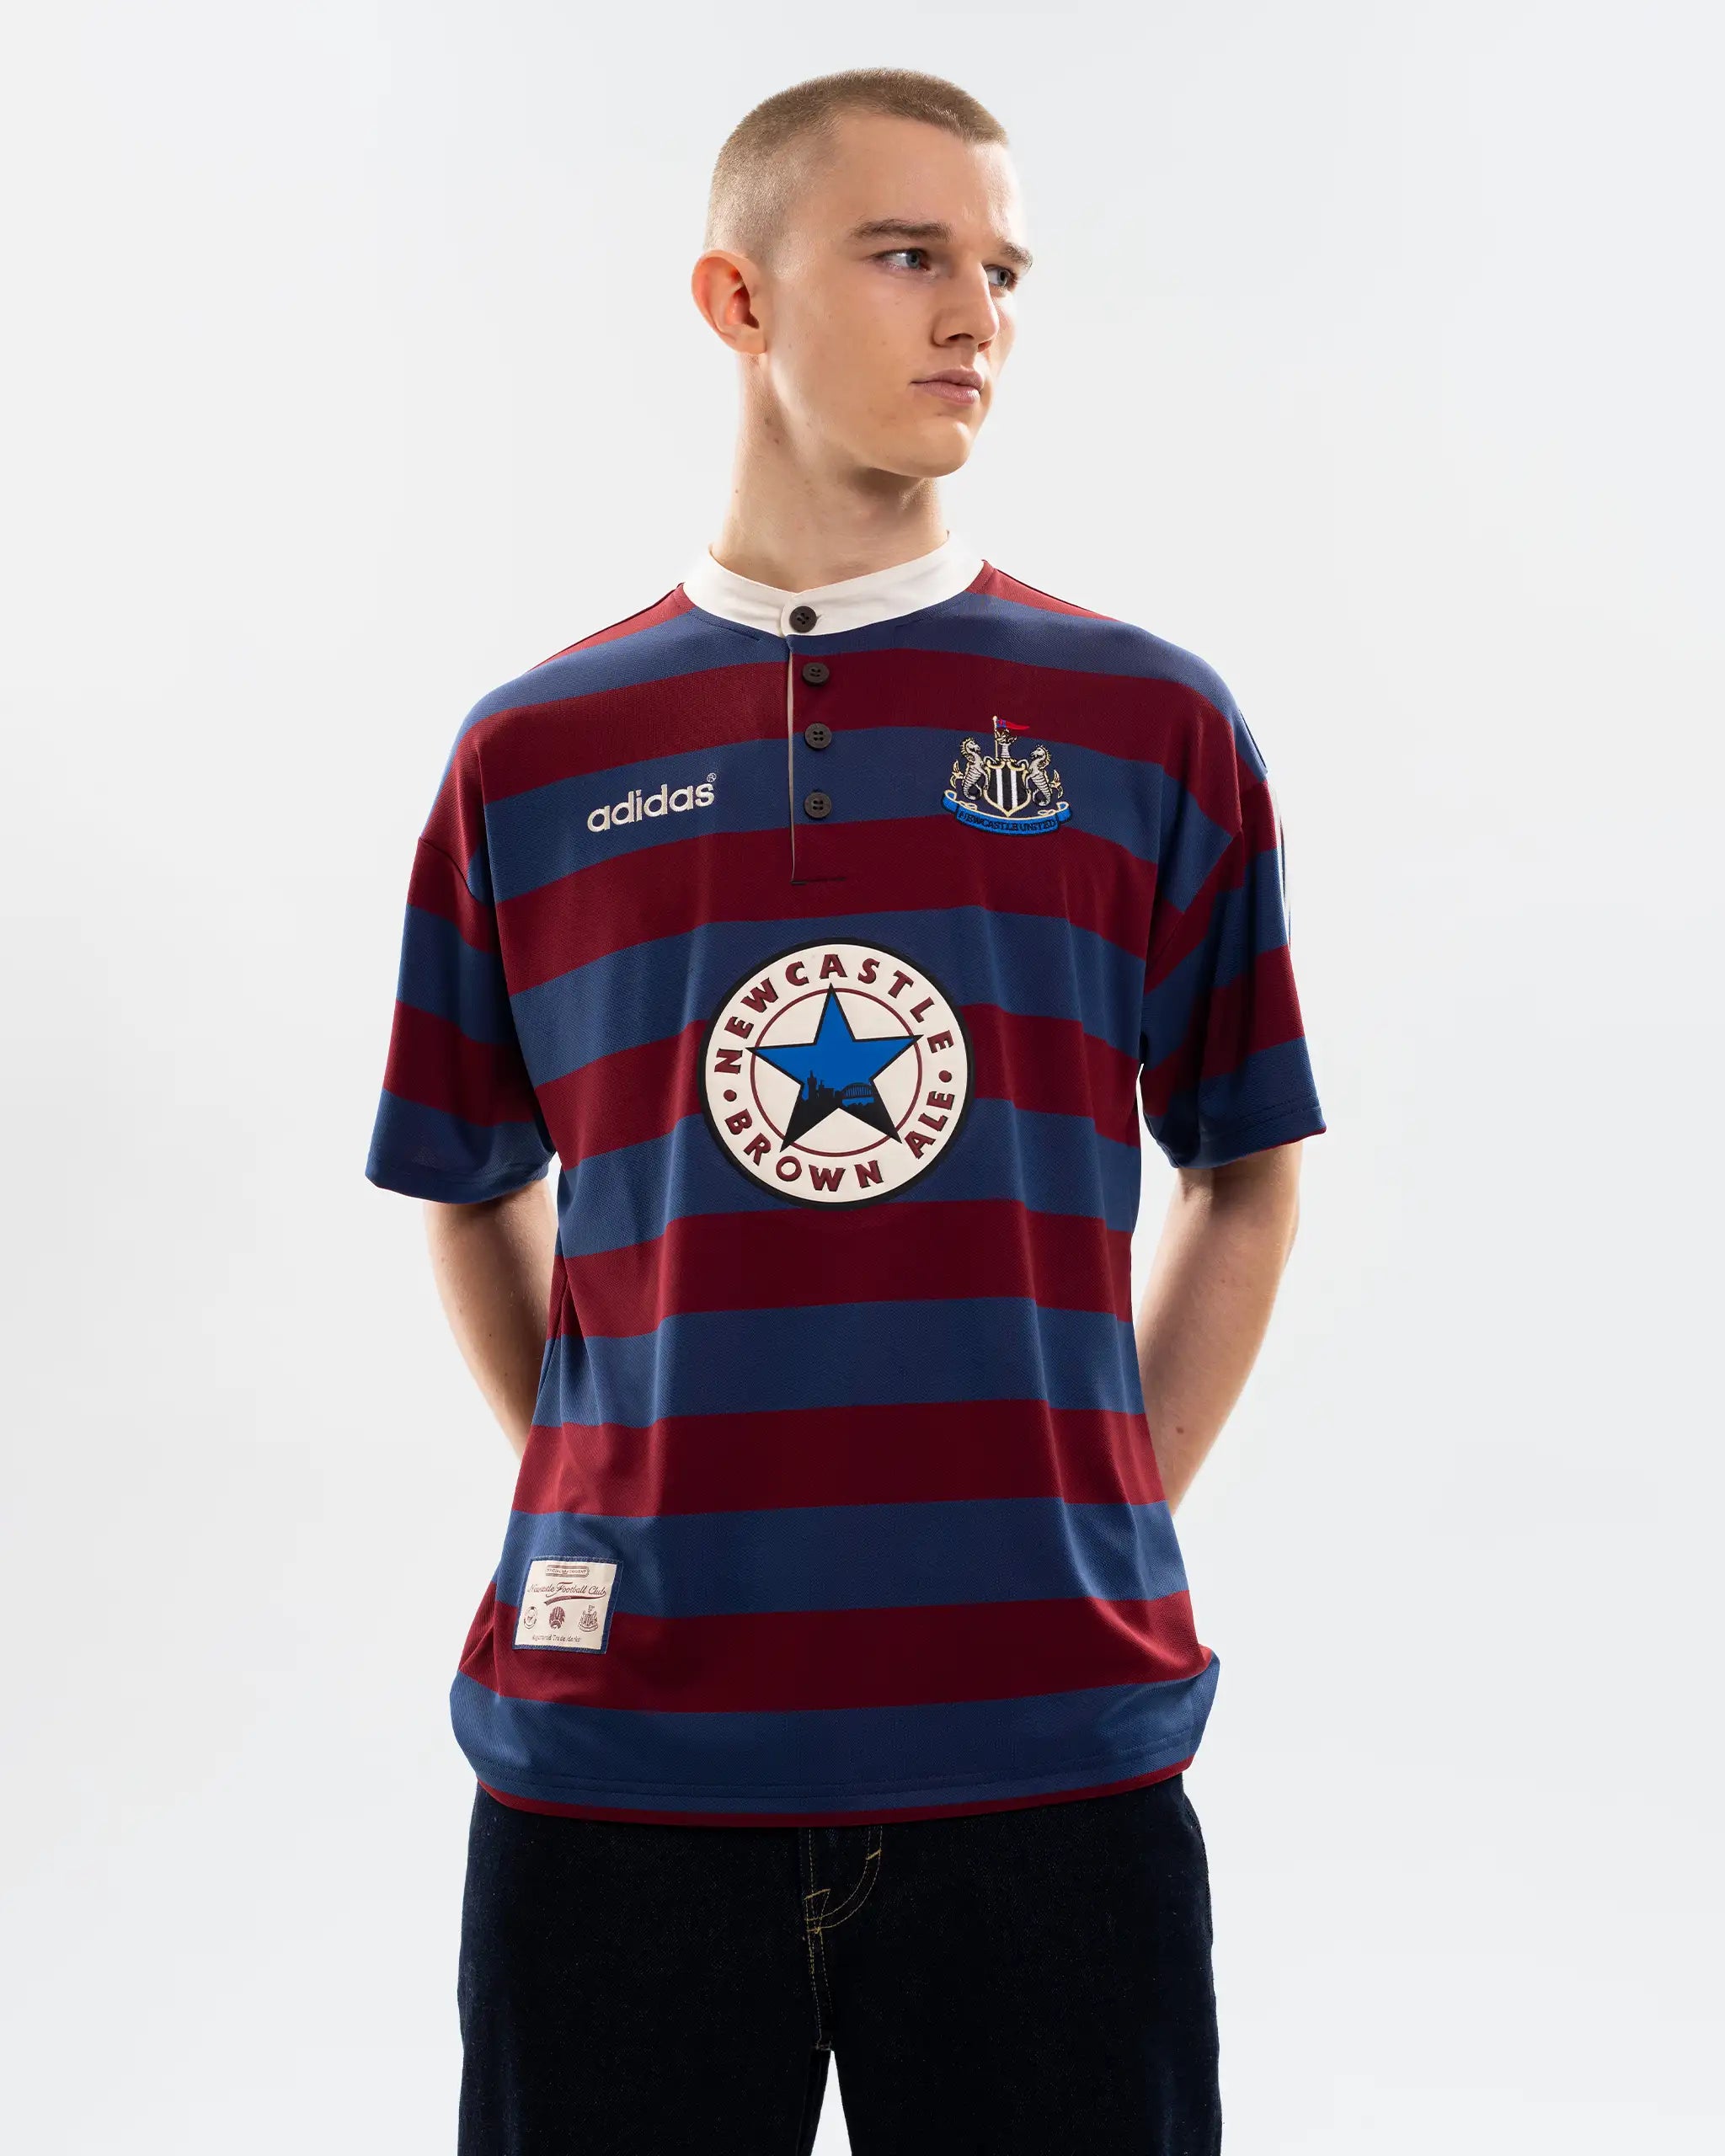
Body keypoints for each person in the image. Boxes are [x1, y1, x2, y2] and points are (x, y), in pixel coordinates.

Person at [365, 63, 1327, 2156]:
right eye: (906, 255)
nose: (974, 313)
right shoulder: (531, 754)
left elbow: (1246, 1166)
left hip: (1053, 1769)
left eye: (1002, 269)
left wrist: (1103, 1498)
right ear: (736, 297)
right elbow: (462, 1176)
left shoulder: (1147, 722)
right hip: (612, 1777)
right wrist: (619, 1471)